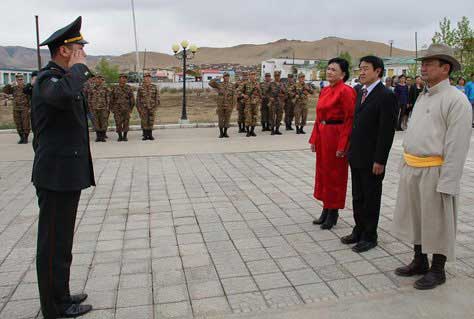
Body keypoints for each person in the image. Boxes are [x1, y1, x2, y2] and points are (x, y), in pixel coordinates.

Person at [392, 43, 472, 290]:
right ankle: (419, 261)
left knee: (436, 222)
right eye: (423, 63)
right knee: (417, 218)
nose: (423, 68)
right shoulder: (425, 95)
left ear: (445, 68)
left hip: (435, 171)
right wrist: (404, 163)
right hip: (413, 167)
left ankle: (438, 269)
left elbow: (457, 146)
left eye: (429, 63)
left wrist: (448, 181)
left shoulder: (456, 101)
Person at [31, 16, 95, 318]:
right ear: (65, 50)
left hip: (64, 174)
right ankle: (54, 308)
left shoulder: (62, 78)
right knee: (52, 243)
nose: (83, 51)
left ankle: (62, 294)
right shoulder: (48, 79)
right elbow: (62, 95)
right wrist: (79, 69)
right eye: (79, 47)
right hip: (55, 176)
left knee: (62, 241)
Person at [342, 56, 398, 253]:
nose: (362, 72)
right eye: (360, 69)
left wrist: (380, 160)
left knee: (371, 198)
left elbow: (386, 131)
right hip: (356, 154)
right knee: (358, 196)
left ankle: (370, 235)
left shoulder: (386, 95)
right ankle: (358, 230)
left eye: (366, 69)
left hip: (372, 159)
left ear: (378, 71)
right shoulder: (360, 92)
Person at [309, 58, 356, 229]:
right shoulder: (325, 90)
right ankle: (326, 207)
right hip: (324, 135)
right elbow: (319, 117)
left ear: (343, 74)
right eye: (328, 69)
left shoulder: (346, 91)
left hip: (336, 135)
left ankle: (333, 211)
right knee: (323, 172)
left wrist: (343, 144)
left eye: (333, 70)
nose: (329, 72)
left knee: (335, 174)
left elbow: (350, 119)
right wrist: (314, 139)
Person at [2, 74, 31, 144]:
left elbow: (30, 98)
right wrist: (9, 84)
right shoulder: (14, 88)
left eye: (21, 79)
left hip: (24, 108)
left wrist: (30, 107)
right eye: (18, 79)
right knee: (18, 123)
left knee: (25, 124)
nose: (19, 81)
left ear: (23, 80)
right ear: (16, 80)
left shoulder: (26, 87)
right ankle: (21, 137)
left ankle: (26, 138)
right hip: (16, 108)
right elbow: (5, 91)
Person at [209, 72, 235, 138]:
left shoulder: (232, 85)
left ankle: (225, 133)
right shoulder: (219, 84)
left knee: (227, 119)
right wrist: (216, 78)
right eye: (225, 76)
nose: (227, 78)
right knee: (220, 119)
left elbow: (234, 96)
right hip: (220, 104)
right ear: (223, 77)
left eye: (228, 76)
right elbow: (210, 83)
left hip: (229, 105)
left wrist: (233, 105)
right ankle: (221, 133)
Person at [110, 73, 134, 141]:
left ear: (126, 80)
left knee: (126, 123)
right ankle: (120, 136)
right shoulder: (114, 88)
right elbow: (111, 99)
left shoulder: (129, 88)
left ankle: (125, 136)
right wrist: (112, 109)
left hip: (126, 109)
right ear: (119, 79)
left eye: (124, 78)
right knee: (118, 123)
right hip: (117, 109)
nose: (123, 79)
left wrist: (131, 109)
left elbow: (132, 99)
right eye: (121, 78)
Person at [137, 73, 160, 140]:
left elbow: (157, 98)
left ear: (150, 79)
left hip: (152, 108)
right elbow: (138, 99)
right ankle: (145, 135)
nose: (147, 78)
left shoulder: (154, 87)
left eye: (149, 77)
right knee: (144, 121)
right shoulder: (140, 88)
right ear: (143, 79)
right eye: (146, 77)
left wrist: (155, 107)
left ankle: (150, 135)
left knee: (151, 121)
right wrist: (139, 109)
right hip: (143, 108)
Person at [87, 75, 109, 142]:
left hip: (103, 108)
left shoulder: (105, 88)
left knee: (103, 122)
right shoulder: (91, 88)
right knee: (96, 122)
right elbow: (89, 99)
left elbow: (108, 98)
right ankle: (98, 136)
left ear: (101, 80)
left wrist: (107, 107)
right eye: (97, 79)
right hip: (94, 108)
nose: (98, 80)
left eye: (99, 79)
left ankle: (102, 137)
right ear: (95, 80)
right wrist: (90, 107)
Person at [239, 71, 261, 137]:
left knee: (255, 117)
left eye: (254, 75)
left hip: (255, 103)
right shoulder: (245, 83)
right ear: (249, 76)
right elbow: (238, 90)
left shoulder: (257, 83)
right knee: (248, 117)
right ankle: (248, 132)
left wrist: (258, 89)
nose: (253, 76)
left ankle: (252, 131)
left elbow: (261, 93)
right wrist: (243, 95)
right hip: (248, 103)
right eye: (251, 75)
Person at [268, 70, 287, 135]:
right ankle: (272, 129)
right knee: (272, 117)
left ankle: (277, 129)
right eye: (276, 76)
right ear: (274, 76)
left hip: (280, 103)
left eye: (278, 76)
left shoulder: (282, 84)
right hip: (273, 103)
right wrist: (270, 98)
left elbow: (286, 93)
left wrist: (283, 95)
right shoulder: (271, 84)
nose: (277, 77)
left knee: (279, 116)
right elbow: (266, 93)